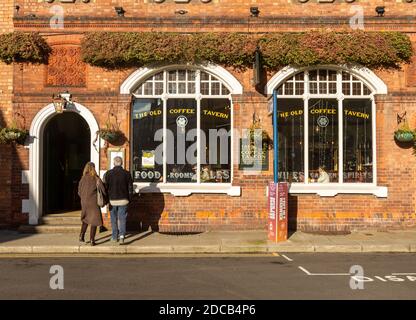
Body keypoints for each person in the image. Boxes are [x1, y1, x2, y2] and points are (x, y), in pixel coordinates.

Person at [103, 156, 134, 245]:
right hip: (124, 200)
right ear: (122, 163)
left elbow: (106, 188)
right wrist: (130, 199)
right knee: (122, 218)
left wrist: (106, 199)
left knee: (113, 219)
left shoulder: (108, 174)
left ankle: (114, 236)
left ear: (113, 163)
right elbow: (130, 188)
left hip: (112, 200)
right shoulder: (127, 174)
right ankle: (122, 236)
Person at [78, 162, 106, 246]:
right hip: (93, 202)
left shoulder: (82, 178)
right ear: (93, 168)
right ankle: (91, 240)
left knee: (86, 218)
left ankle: (81, 235)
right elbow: (103, 190)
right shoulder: (96, 178)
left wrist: (83, 198)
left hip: (84, 202)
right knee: (94, 220)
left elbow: (79, 191)